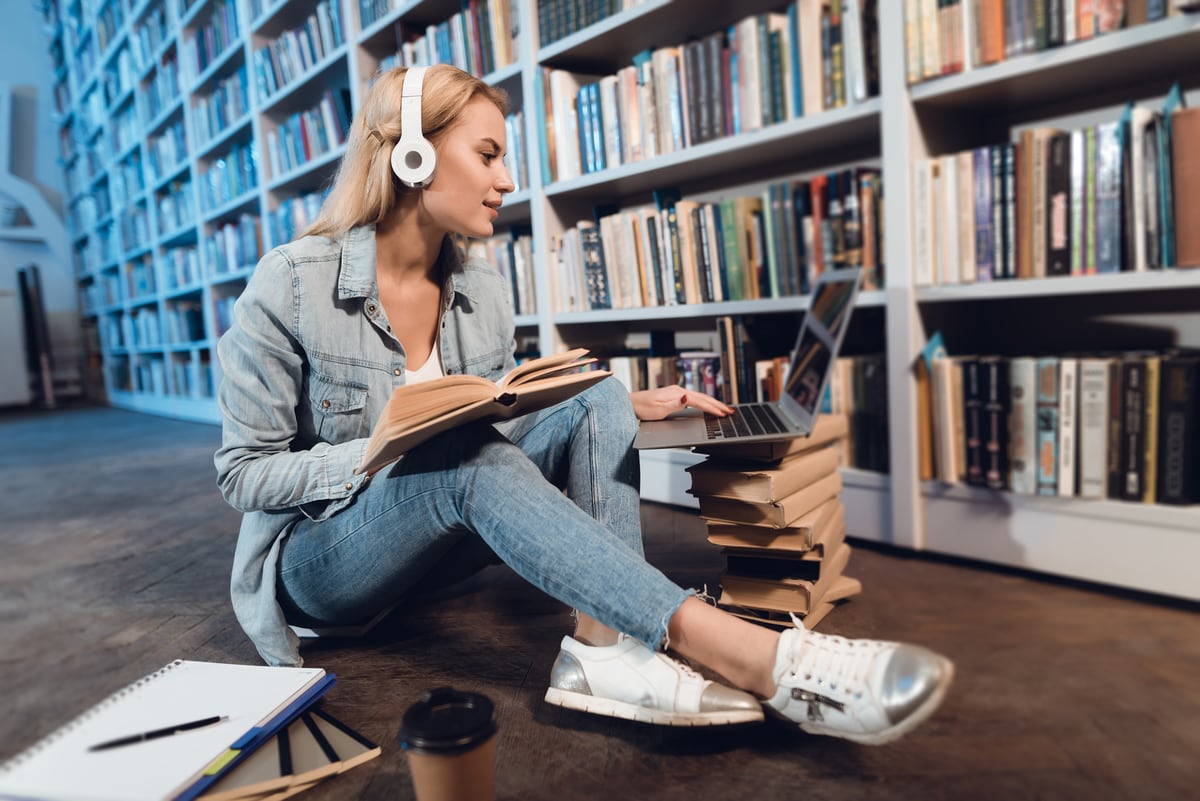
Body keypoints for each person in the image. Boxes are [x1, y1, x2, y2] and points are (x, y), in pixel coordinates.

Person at [214, 64, 953, 745]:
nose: (506, 180)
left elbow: (494, 408)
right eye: (488, 154)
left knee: (595, 391)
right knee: (462, 457)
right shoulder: (293, 283)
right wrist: (382, 453)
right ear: (412, 156)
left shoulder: (480, 288)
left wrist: (610, 401)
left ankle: (604, 649)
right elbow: (244, 473)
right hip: (323, 570)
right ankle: (755, 655)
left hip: (430, 559)